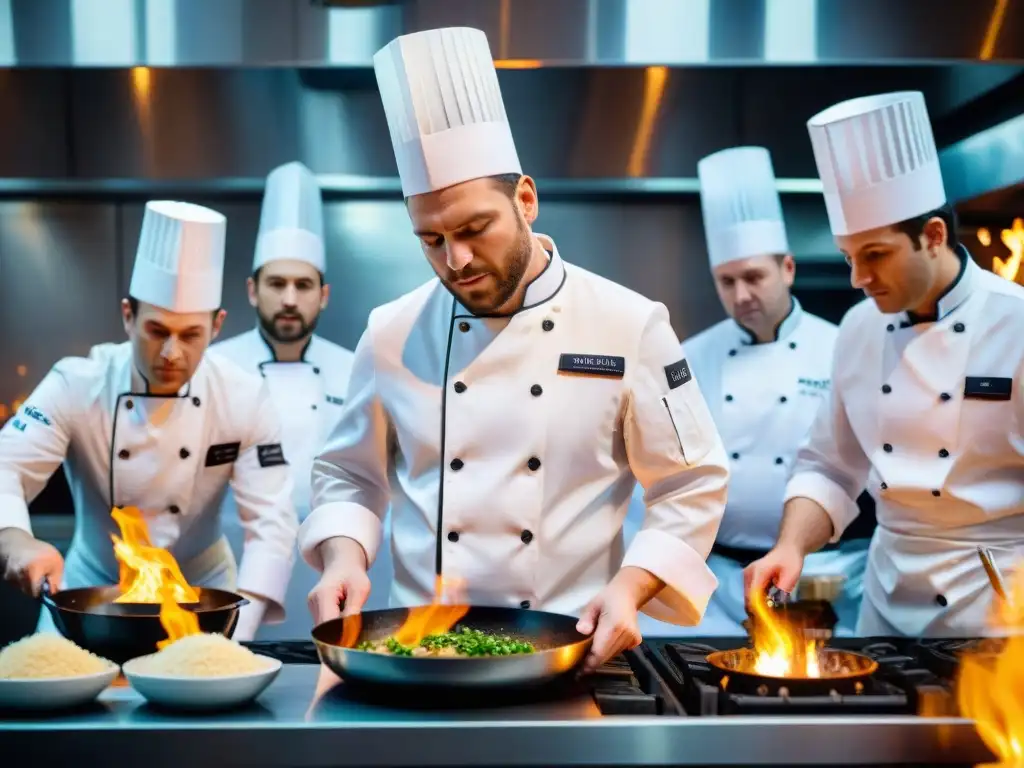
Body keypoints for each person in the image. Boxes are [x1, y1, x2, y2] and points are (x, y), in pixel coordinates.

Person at [301, 26, 729, 671]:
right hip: (416, 654)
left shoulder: (628, 323)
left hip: (571, 648)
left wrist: (634, 587)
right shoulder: (390, 330)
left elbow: (689, 482)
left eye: (476, 229)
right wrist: (343, 554)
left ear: (525, 199)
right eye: (432, 240)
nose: (458, 259)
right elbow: (348, 474)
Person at [744, 91, 1024, 637]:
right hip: (887, 602)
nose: (857, 279)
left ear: (934, 236)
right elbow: (830, 465)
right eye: (850, 257)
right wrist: (790, 545)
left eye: (875, 255)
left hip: (999, 608)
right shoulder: (859, 328)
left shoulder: (1016, 323)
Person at [0, 201, 299, 641]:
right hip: (91, 589)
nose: (172, 353)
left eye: (191, 335)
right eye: (157, 331)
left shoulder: (243, 396)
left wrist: (238, 633)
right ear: (128, 316)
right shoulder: (76, 383)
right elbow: (7, 466)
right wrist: (14, 539)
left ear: (217, 327)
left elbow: (272, 523)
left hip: (203, 594)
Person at [636, 146, 868, 637]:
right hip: (718, 581)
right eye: (727, 281)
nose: (741, 295)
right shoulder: (689, 356)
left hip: (828, 580)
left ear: (787, 268)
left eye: (754, 277)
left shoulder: (842, 345)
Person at [211, 162, 392, 640]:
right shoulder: (213, 368)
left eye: (304, 285)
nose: (289, 298)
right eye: (276, 283)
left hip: (331, 570)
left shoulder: (357, 366)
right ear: (252, 291)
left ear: (324, 295)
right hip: (231, 570)